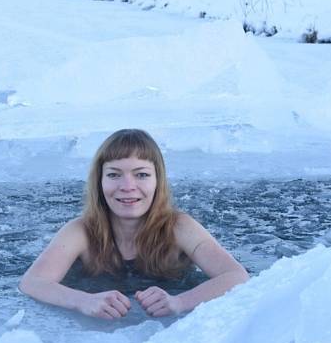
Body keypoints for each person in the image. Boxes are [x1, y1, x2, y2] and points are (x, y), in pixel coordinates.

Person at [19, 129, 249, 319]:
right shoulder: (81, 231)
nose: (127, 186)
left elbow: (236, 276)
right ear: (99, 182)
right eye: (114, 175)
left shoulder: (179, 227)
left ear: (158, 181)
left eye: (141, 175)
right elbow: (32, 282)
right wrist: (82, 300)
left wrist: (179, 302)